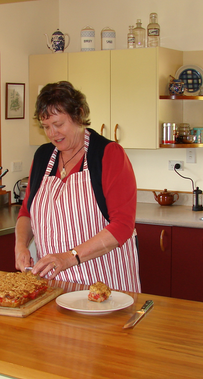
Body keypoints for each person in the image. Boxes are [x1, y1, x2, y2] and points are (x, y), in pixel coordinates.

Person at [14, 81, 141, 293]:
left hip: (105, 284)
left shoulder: (108, 154)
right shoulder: (43, 157)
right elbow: (26, 212)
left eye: (58, 124)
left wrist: (69, 257)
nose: (53, 133)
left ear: (79, 115)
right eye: (46, 127)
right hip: (55, 286)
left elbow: (123, 226)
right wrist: (21, 246)